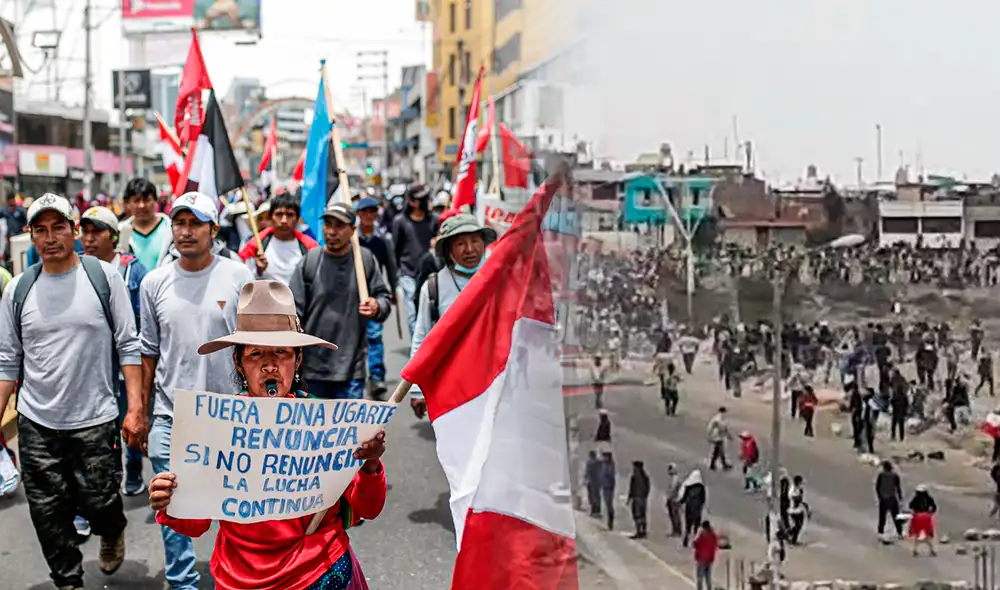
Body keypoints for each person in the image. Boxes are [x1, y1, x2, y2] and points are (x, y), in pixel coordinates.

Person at [149, 280, 387, 589]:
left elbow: (368, 508)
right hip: (240, 580)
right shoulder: (215, 427)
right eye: (256, 354)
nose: (270, 366)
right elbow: (195, 524)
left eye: (281, 353)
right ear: (239, 362)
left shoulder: (329, 424)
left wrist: (370, 467)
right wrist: (170, 500)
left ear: (297, 360)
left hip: (319, 576)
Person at [0, 194, 144, 590]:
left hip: (95, 419)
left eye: (58, 227)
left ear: (74, 231)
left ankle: (112, 529)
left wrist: (135, 409)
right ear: (30, 236)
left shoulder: (102, 277)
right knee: (49, 514)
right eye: (40, 230)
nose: (50, 238)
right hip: (37, 423)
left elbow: (128, 345)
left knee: (101, 501)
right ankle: (68, 581)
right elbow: (7, 361)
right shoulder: (19, 290)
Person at [141, 192, 254, 590]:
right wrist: (139, 410)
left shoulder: (239, 275)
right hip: (172, 417)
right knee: (172, 508)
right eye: (179, 223)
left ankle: (239, 578)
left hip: (231, 417)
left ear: (214, 230)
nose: (186, 231)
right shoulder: (154, 282)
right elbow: (148, 351)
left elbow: (256, 346)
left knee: (237, 510)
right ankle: (182, 583)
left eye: (195, 223)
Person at [290, 203, 393, 400]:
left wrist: (376, 306)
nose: (331, 231)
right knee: (315, 429)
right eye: (328, 224)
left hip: (352, 368)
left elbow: (384, 298)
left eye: (339, 226)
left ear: (352, 230)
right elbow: (293, 311)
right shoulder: (310, 261)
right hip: (313, 369)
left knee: (348, 430)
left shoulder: (365, 260)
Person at [81, 206, 148, 496]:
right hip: (91, 368)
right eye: (85, 232)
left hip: (125, 368)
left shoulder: (134, 270)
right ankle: (102, 482)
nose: (90, 238)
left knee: (129, 422)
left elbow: (144, 319)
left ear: (114, 236)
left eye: (98, 231)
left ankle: (133, 470)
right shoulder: (75, 269)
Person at [408, 212, 496, 418]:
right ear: (448, 251)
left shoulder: (498, 279)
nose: (470, 249)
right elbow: (422, 337)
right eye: (460, 244)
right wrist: (416, 389)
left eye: (475, 241)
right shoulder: (434, 287)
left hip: (494, 382)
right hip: (452, 385)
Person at [356, 196, 399, 399]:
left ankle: (376, 376)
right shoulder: (352, 239)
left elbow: (390, 267)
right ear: (358, 214)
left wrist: (393, 290)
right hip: (351, 296)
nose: (368, 216)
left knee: (374, 337)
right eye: (364, 212)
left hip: (373, 294)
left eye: (372, 212)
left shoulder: (383, 241)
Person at [237, 193, 319, 285]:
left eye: (289, 215)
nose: (284, 220)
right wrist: (258, 270)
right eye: (279, 214)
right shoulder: (256, 246)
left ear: (297, 219)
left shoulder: (309, 248)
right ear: (271, 217)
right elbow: (244, 281)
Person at [392, 184, 438, 336]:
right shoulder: (400, 221)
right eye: (421, 199)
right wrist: (396, 276)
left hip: (429, 274)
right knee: (413, 315)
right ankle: (417, 351)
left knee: (428, 313)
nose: (425, 201)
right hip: (408, 273)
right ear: (412, 201)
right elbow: (395, 250)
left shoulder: (433, 220)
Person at [119, 178, 171, 271]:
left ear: (155, 201)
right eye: (136, 201)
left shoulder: (170, 228)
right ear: (128, 204)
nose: (141, 205)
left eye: (147, 200)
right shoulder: (121, 231)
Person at [875, 460, 904, 538]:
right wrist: (900, 499)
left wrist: (879, 497)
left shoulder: (881, 475)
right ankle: (899, 533)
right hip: (892, 498)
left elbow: (877, 487)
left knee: (882, 517)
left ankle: (880, 532)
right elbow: (898, 488)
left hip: (883, 499)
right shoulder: (895, 476)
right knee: (896, 517)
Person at [907, 484, 938, 556]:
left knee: (917, 534)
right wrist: (930, 513)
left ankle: (915, 549)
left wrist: (914, 511)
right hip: (926, 517)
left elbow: (910, 506)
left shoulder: (916, 498)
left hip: (917, 516)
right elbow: (934, 507)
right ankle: (932, 550)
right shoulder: (929, 498)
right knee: (928, 534)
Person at [679, 469, 707, 547]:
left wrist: (680, 502)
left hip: (689, 507)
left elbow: (684, 497)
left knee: (688, 525)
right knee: (696, 526)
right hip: (697, 508)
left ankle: (686, 540)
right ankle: (696, 541)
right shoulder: (701, 487)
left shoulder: (688, 486)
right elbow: (703, 498)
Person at [692, 520, 719, 590]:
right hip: (709, 559)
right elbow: (715, 546)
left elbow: (695, 543)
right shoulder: (713, 535)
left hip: (701, 558)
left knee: (700, 577)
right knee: (708, 577)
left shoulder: (702, 535)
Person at [627, 460, 651, 539]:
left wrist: (629, 498)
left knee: (637, 516)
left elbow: (631, 489)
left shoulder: (634, 477)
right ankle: (643, 531)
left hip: (637, 499)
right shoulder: (645, 477)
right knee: (642, 515)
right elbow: (648, 488)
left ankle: (638, 531)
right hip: (643, 499)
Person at [665, 464, 683, 537]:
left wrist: (669, 498)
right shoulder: (675, 478)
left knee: (674, 515)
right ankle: (676, 530)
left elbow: (672, 489)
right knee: (675, 515)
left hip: (674, 499)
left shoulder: (675, 479)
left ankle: (677, 531)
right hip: (675, 499)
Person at [600, 451, 616, 531]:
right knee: (607, 504)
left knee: (609, 505)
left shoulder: (610, 466)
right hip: (605, 486)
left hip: (608, 487)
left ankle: (610, 522)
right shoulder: (604, 464)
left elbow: (610, 476)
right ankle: (609, 522)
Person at [584, 450, 602, 518]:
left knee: (593, 497)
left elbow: (587, 472)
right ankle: (595, 510)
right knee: (595, 497)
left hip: (593, 482)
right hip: (595, 482)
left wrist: (585, 478)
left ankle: (595, 510)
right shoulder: (597, 462)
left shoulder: (591, 462)